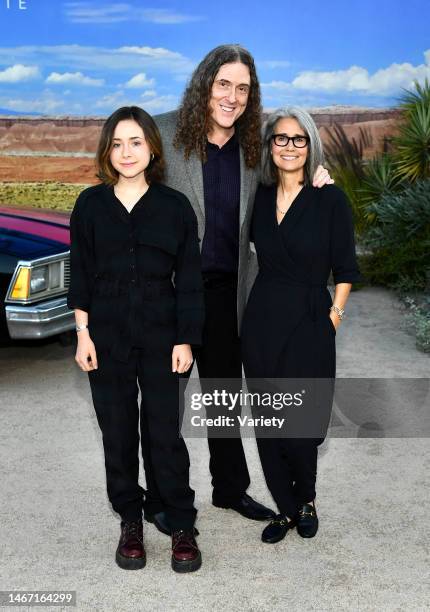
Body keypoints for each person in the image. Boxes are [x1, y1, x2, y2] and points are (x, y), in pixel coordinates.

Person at [153, 44, 333, 530]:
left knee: (223, 401)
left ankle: (230, 490)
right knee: (164, 407)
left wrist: (318, 176)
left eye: (243, 88)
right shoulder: (164, 134)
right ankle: (168, 499)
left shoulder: (256, 144)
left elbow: (290, 165)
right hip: (171, 295)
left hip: (231, 295)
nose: (232, 96)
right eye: (223, 84)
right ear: (204, 84)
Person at [67, 106, 204, 573]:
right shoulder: (89, 205)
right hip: (104, 333)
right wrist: (82, 334)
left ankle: (181, 522)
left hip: (164, 334)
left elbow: (189, 280)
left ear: (152, 148)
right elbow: (81, 274)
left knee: (164, 432)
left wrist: (186, 340)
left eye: (136, 142)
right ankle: (131, 518)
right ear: (108, 150)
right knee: (118, 432)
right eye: (118, 143)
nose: (127, 152)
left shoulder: (174, 207)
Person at [241, 106, 361, 543]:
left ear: (310, 145)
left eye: (299, 139)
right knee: (269, 422)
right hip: (262, 320)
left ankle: (306, 497)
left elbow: (345, 269)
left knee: (302, 424)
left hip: (312, 318)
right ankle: (285, 509)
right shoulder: (256, 195)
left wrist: (333, 319)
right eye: (281, 138)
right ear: (270, 145)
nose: (289, 147)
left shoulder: (329, 197)